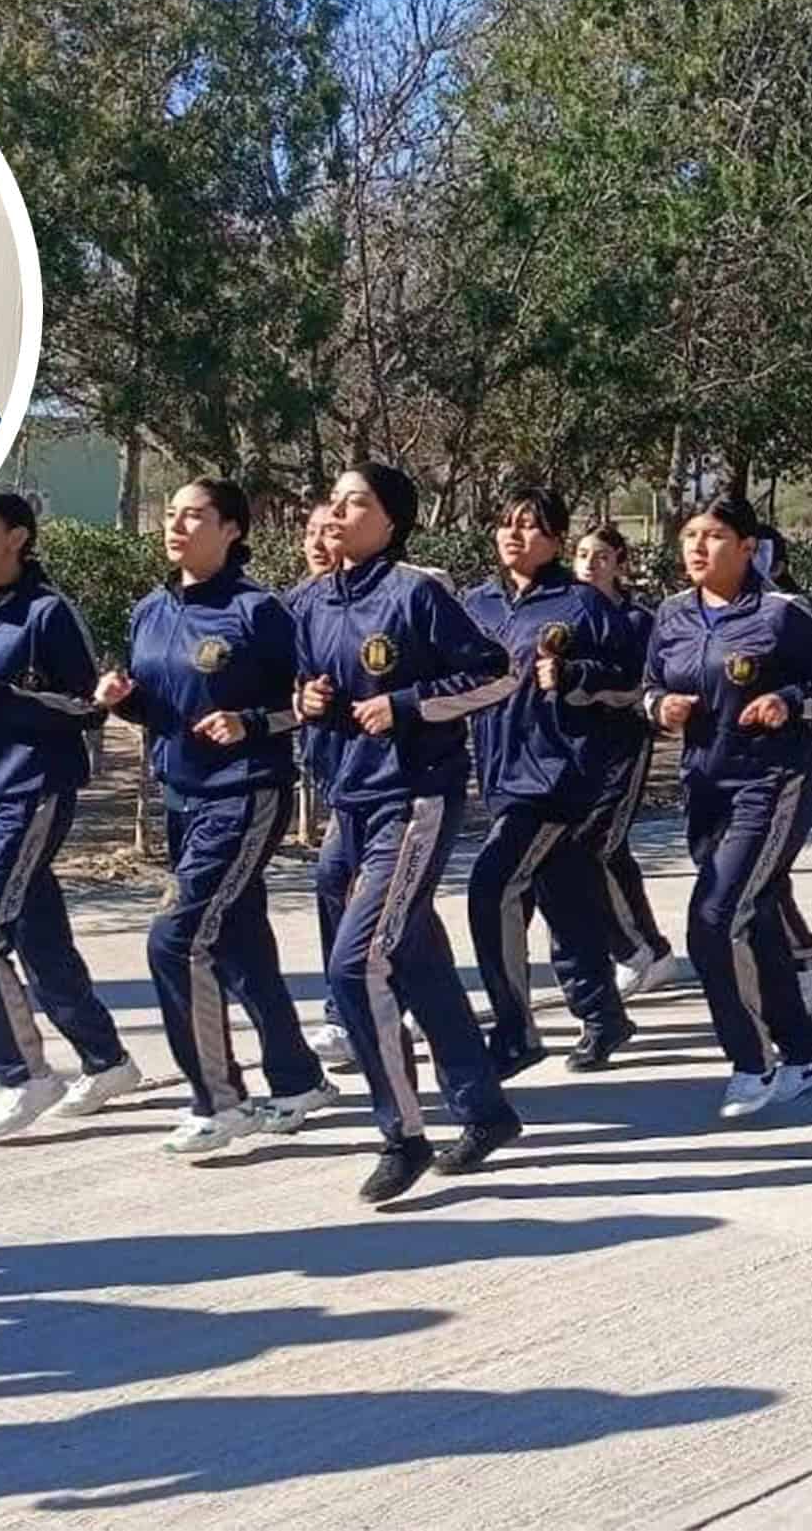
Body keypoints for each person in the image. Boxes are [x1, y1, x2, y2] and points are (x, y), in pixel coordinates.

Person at [292, 463, 524, 1201]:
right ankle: (485, 1110)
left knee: (356, 965)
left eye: (355, 501)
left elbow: (497, 673)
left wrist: (409, 703)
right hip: (349, 799)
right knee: (416, 957)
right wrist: (310, 697)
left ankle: (403, 1133)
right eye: (334, 499)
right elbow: (306, 691)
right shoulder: (313, 601)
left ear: (391, 521)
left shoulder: (416, 593)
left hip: (414, 798)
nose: (337, 511)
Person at [98, 479, 335, 1156]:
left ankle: (218, 1098)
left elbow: (310, 702)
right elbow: (163, 708)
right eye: (171, 513)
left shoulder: (258, 611)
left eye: (194, 514)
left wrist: (251, 720)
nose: (177, 524)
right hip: (182, 794)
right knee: (237, 939)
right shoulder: (149, 610)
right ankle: (297, 1080)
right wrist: (123, 700)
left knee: (174, 938)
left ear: (231, 528)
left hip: (246, 791)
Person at [0, 493, 140, 1142]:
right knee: (36, 934)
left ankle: (24, 1074)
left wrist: (5, 698)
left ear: (17, 536)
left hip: (33, 790)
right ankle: (107, 1061)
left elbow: (88, 708)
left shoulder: (48, 612)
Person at [644, 496, 812, 1117]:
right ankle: (805, 1049)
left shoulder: (782, 615)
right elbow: (650, 685)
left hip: (773, 781)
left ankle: (751, 1062)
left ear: (746, 547)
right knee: (753, 916)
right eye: (689, 536)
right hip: (704, 783)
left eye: (713, 536)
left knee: (712, 919)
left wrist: (789, 701)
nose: (697, 548)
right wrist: (661, 708)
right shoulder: (673, 615)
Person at [460, 488, 643, 1075]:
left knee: (492, 886)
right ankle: (603, 1015)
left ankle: (514, 1029)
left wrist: (574, 675)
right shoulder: (477, 604)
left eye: (532, 528)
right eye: (507, 524)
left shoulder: (582, 605)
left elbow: (633, 681)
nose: (515, 536)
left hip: (557, 780)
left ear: (558, 540)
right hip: (500, 772)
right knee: (564, 896)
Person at [573, 523, 683, 995]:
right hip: (572, 752)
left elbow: (643, 684)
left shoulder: (638, 621)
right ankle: (649, 949)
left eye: (600, 555)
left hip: (622, 747)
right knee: (608, 853)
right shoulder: (565, 614)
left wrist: (589, 685)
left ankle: (635, 949)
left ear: (620, 562)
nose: (589, 564)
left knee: (596, 845)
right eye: (581, 554)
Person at [750, 526, 812, 1013]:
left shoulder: (794, 614)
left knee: (766, 869)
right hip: (723, 768)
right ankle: (783, 958)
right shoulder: (697, 613)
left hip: (790, 763)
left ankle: (803, 957)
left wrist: (788, 702)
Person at [291, 500, 362, 1072]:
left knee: (337, 878)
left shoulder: (383, 599)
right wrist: (300, 702)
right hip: (332, 769)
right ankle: (391, 994)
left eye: (328, 531)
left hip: (385, 776)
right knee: (367, 893)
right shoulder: (294, 605)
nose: (317, 541)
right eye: (309, 532)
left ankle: (346, 1011)